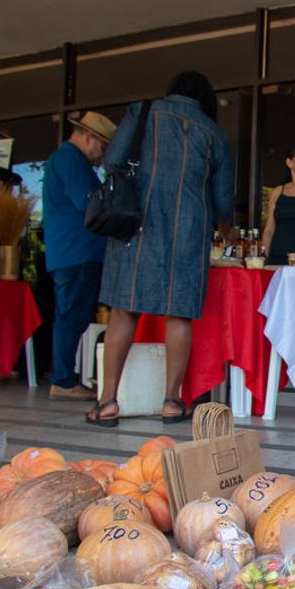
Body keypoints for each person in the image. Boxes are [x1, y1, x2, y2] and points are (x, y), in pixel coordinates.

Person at [87, 71, 234, 427]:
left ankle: (107, 402)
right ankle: (171, 401)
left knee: (124, 311)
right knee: (178, 313)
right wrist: (226, 230)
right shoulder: (213, 132)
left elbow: (113, 161)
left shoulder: (143, 111)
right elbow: (223, 199)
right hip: (188, 230)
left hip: (137, 225)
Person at [42, 110, 117, 401]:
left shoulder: (64, 159)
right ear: (89, 138)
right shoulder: (71, 159)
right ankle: (63, 379)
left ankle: (65, 377)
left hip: (71, 252)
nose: (102, 153)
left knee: (71, 315)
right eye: (103, 145)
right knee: (71, 316)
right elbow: (90, 203)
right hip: (77, 251)